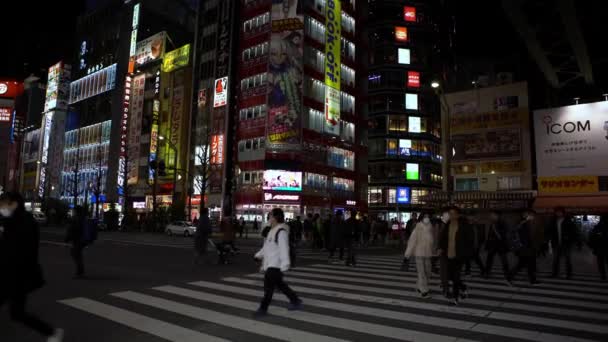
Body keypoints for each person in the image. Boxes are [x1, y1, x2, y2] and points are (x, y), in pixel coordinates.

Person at [0, 192, 64, 342]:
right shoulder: (13, 220)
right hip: (13, 275)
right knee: (17, 313)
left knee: (17, 313)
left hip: (16, 275)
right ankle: (52, 332)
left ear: (14, 204)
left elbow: (18, 250)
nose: (2, 208)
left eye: (4, 204)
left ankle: (52, 332)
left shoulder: (23, 222)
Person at [254, 208, 302, 317]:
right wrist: (258, 255)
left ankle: (263, 309)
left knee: (269, 289)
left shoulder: (281, 232)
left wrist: (285, 264)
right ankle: (295, 301)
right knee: (280, 285)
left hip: (275, 265)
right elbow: (266, 247)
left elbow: (284, 249)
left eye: (270, 215)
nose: (269, 217)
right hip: (270, 264)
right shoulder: (272, 231)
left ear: (275, 217)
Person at [438, 206, 474, 305]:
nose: (452, 215)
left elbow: (470, 240)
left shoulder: (464, 225)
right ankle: (463, 287)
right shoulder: (448, 224)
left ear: (458, 214)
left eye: (454, 213)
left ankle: (456, 297)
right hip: (448, 255)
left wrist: (467, 253)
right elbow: (443, 238)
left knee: (456, 276)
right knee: (450, 276)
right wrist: (440, 248)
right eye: (450, 213)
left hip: (459, 255)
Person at [404, 212, 436, 298]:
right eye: (425, 216)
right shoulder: (418, 227)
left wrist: (434, 250)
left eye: (428, 216)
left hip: (428, 253)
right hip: (419, 252)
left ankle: (419, 286)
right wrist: (408, 253)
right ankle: (424, 291)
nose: (427, 218)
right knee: (421, 272)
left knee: (428, 272)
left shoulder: (430, 227)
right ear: (421, 217)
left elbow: (432, 240)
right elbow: (412, 240)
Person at [510, 209, 541, 285]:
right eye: (530, 215)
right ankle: (509, 277)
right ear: (525, 215)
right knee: (523, 264)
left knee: (527, 264)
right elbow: (518, 234)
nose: (532, 216)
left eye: (532, 215)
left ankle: (532, 280)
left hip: (528, 247)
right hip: (524, 248)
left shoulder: (528, 223)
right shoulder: (522, 223)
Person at [547, 207, 577, 279]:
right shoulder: (553, 221)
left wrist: (569, 239)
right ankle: (554, 273)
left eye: (560, 212)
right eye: (557, 212)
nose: (558, 213)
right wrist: (550, 239)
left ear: (563, 212)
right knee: (555, 259)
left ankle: (569, 274)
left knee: (567, 259)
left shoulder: (568, 221)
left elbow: (573, 231)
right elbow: (550, 231)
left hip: (566, 243)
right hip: (557, 243)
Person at [484, 210, 512, 284]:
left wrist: (495, 229)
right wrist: (487, 244)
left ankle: (507, 275)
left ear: (497, 215)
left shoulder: (502, 223)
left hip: (500, 245)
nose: (491, 216)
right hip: (492, 245)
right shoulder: (492, 223)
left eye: (492, 215)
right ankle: (487, 273)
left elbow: (502, 236)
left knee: (504, 261)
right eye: (491, 215)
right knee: (489, 259)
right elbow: (490, 235)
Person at [65, 205, 87, 279]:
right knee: (77, 254)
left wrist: (68, 237)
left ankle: (80, 272)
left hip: (77, 239)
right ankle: (80, 272)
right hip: (81, 239)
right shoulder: (83, 218)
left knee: (76, 254)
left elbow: (73, 229)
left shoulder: (77, 218)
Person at [589, 215, 608, 281]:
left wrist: (593, 247)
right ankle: (603, 276)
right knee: (602, 262)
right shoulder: (598, 227)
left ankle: (603, 276)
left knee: (601, 262)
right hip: (602, 248)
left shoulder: (597, 227)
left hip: (599, 248)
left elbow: (592, 238)